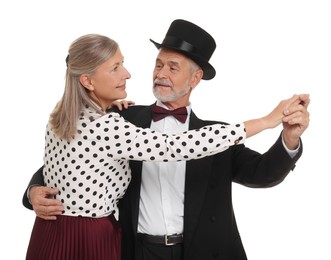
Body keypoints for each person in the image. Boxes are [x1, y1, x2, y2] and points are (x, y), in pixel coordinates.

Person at [22, 20, 310, 260]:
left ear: (195, 78)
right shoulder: (122, 119)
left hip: (199, 252)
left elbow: (262, 174)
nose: (160, 74)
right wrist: (34, 190)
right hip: (136, 251)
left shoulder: (216, 135)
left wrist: (289, 138)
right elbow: (74, 159)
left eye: (172, 67)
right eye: (158, 65)